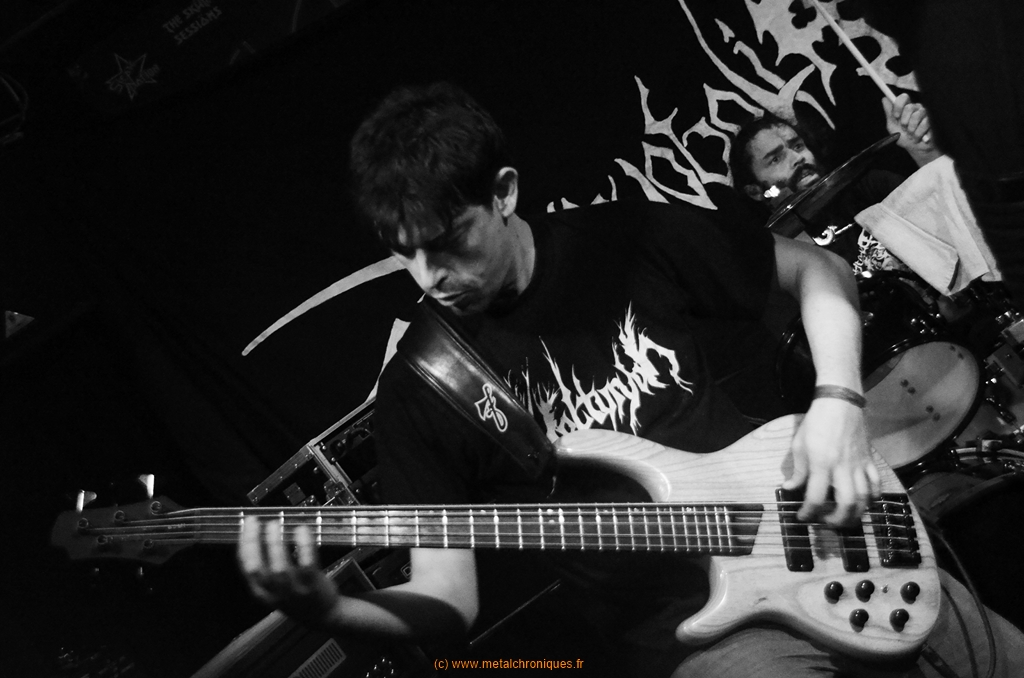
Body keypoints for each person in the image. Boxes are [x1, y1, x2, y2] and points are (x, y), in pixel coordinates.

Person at [237, 82, 1024, 677]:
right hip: (702, 637)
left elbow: (817, 270)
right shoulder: (423, 390)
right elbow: (449, 601)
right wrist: (332, 608)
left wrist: (840, 404)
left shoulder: (622, 240)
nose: (429, 275)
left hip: (828, 533)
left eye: (448, 242)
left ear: (503, 192)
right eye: (405, 252)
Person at [729, 94, 941, 274]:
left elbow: (943, 215)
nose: (797, 158)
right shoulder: (778, 258)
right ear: (755, 191)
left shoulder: (871, 187)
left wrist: (925, 153)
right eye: (775, 159)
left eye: (798, 146)